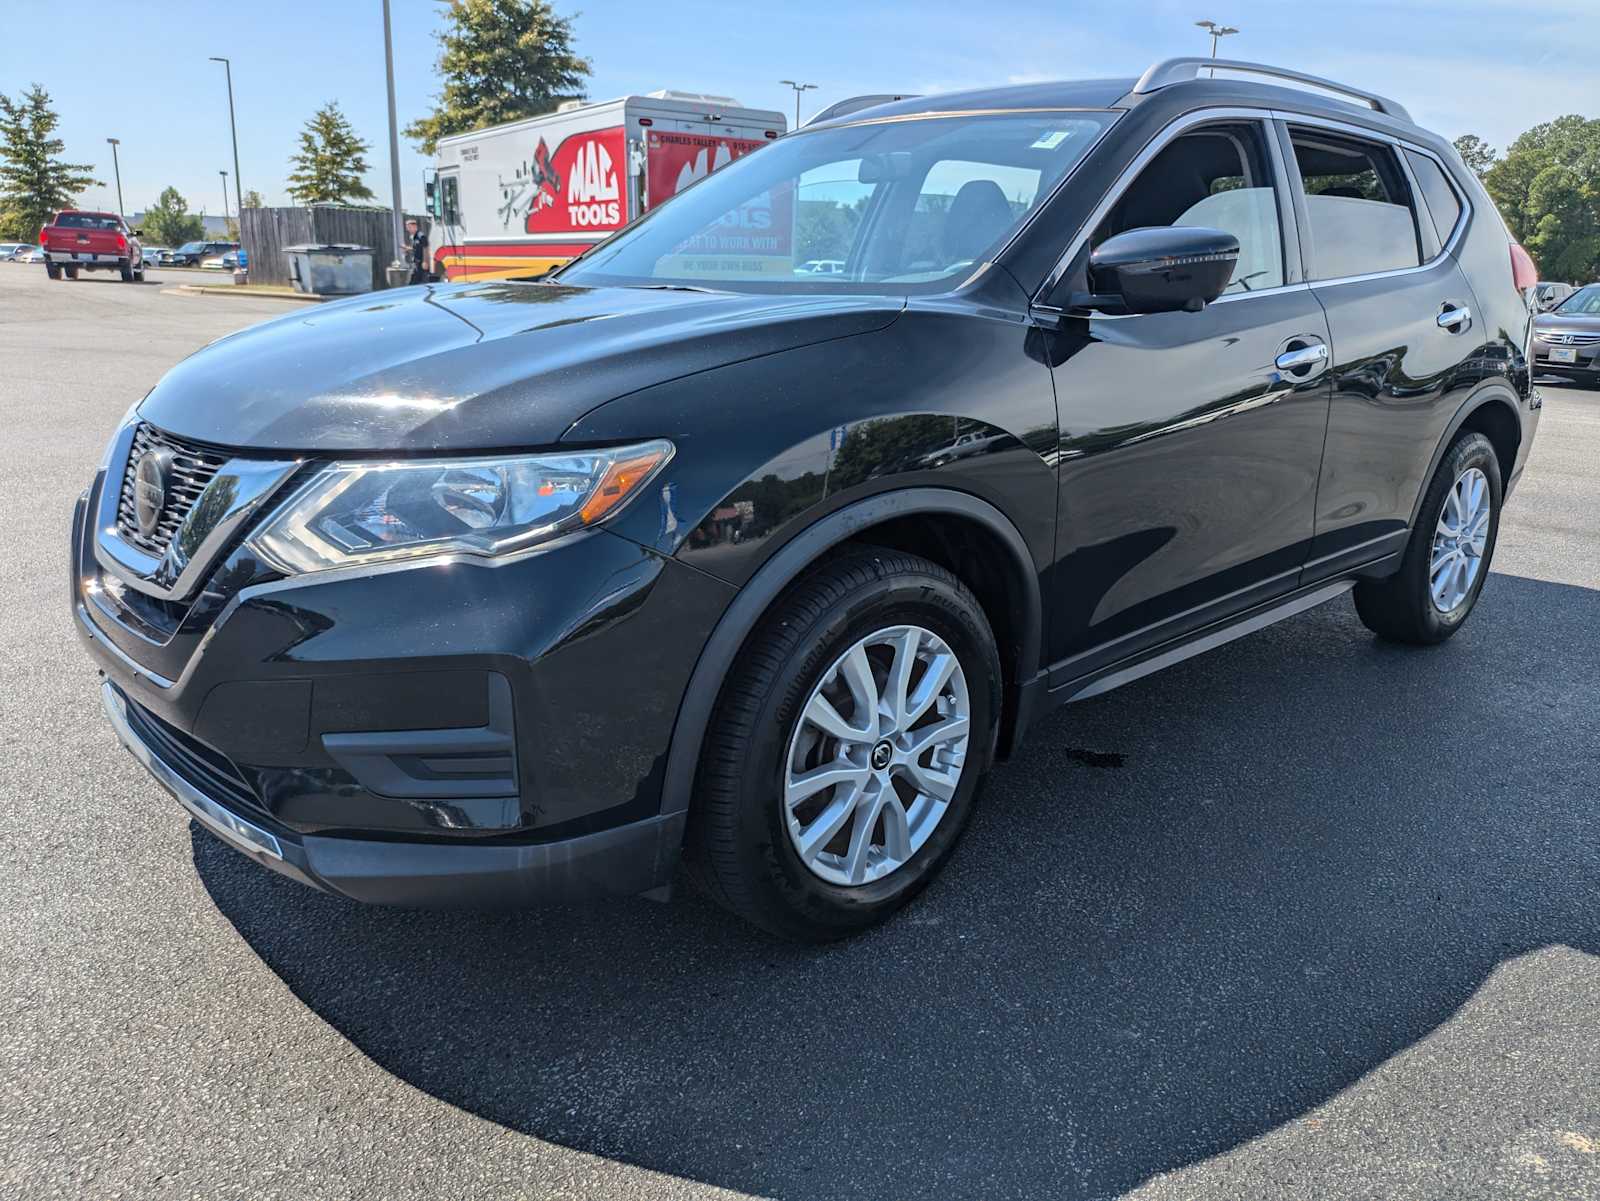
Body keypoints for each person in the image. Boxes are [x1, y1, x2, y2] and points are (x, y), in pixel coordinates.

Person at [406, 218, 430, 285]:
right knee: (414, 282)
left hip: (421, 263)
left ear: (414, 227)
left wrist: (425, 261)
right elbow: (416, 248)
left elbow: (426, 247)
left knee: (423, 282)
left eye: (409, 227)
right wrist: (408, 248)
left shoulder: (420, 235)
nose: (408, 229)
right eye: (407, 228)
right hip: (416, 264)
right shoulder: (414, 237)